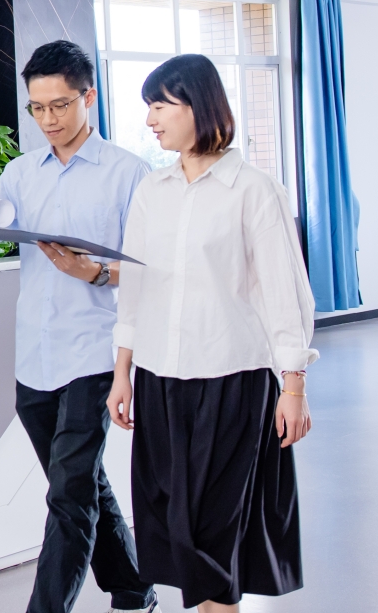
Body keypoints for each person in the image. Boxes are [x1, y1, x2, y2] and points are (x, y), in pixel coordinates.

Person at [0, 40, 156, 613]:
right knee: (80, 484)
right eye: (37, 108)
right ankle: (134, 587)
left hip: (94, 353)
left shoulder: (129, 174)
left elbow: (152, 267)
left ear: (88, 97)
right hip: (35, 357)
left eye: (60, 105)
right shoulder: (19, 173)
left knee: (68, 496)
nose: (48, 119)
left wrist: (96, 272)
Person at [107, 55, 316, 612]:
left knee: (213, 533)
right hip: (159, 380)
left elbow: (284, 294)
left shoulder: (253, 190)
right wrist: (122, 372)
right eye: (148, 107)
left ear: (199, 106)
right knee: (172, 526)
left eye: (160, 106)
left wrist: (293, 386)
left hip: (232, 380)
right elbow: (136, 288)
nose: (150, 120)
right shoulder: (152, 191)